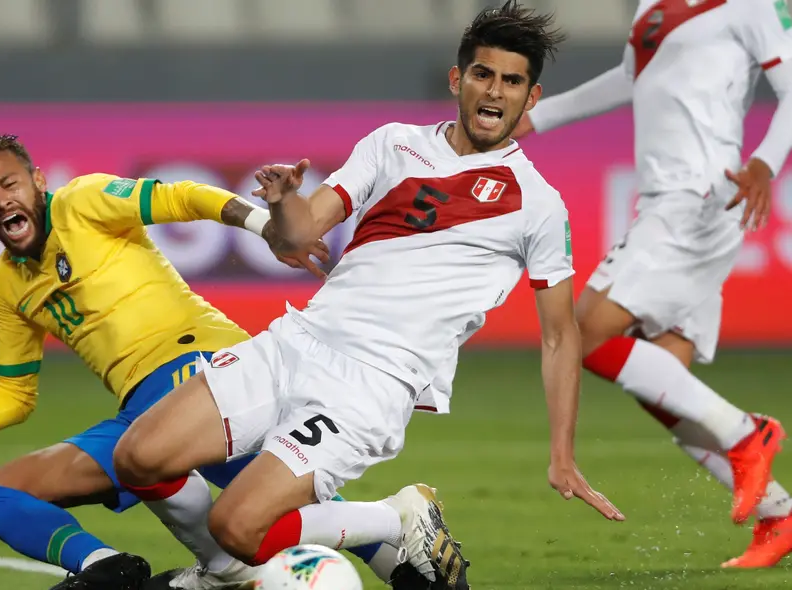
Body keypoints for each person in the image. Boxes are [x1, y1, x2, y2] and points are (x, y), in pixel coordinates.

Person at [108, 3, 625, 589]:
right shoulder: (392, 144)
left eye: (512, 82)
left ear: (531, 99)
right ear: (458, 80)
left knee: (239, 525)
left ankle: (395, 519)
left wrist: (562, 453)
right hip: (297, 341)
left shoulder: (537, 203)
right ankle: (226, 578)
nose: (495, 91)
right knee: (138, 457)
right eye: (483, 74)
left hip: (369, 385)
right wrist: (283, 200)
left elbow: (560, 333)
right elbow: (301, 234)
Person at [0, 132, 393, 590]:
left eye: (9, 185)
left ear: (37, 181)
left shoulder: (84, 201)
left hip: (203, 362)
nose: (1, 201)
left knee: (261, 480)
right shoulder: (8, 284)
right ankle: (109, 570)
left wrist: (265, 227)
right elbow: (14, 395)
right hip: (139, 411)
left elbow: (184, 198)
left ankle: (376, 544)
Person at [513, 0, 792, 569]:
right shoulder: (651, 7)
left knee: (583, 333)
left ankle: (746, 435)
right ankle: (779, 515)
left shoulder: (748, 4)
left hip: (699, 197)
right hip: (670, 202)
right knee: (667, 386)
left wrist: (765, 161)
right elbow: (627, 79)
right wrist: (535, 118)